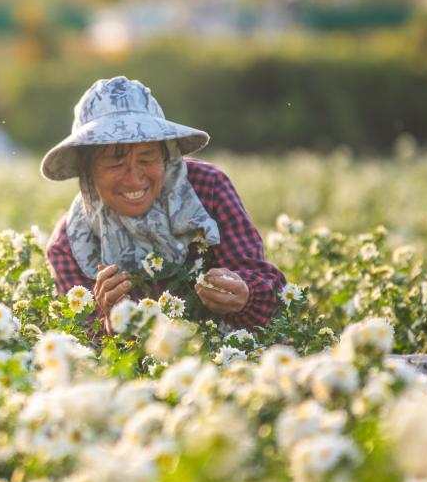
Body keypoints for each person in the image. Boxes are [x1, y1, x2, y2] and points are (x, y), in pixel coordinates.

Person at [42, 76, 285, 331]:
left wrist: (244, 296)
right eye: (115, 164)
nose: (135, 179)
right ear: (87, 171)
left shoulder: (206, 190)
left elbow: (270, 293)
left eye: (147, 159)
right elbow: (85, 346)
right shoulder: (72, 244)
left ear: (166, 154)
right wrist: (109, 324)